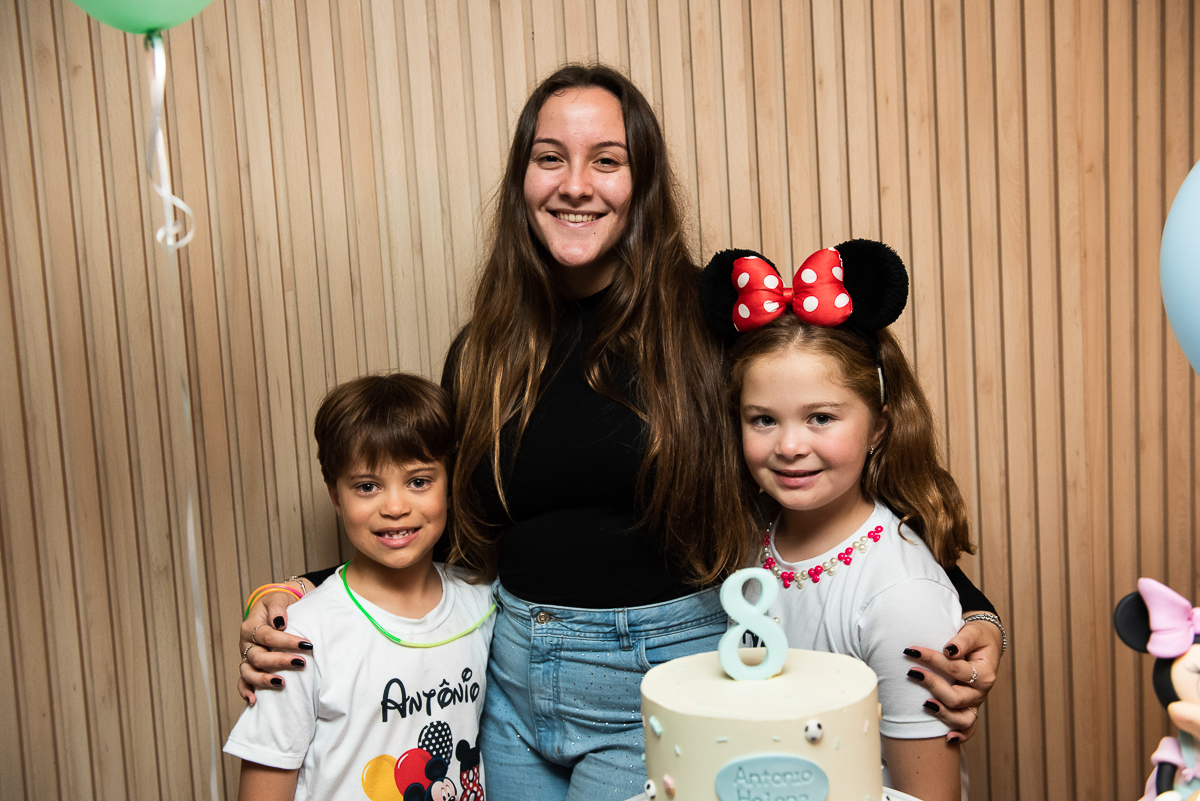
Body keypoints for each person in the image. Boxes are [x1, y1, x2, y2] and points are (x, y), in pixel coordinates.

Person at [238, 65, 1004, 801]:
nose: (575, 183)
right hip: (509, 682)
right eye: (550, 159)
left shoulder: (710, 324)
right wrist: (305, 592)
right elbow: (444, 521)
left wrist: (968, 609)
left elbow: (832, 478)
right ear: (522, 183)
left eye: (606, 160)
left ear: (642, 184)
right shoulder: (484, 349)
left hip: (661, 672)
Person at [705, 242, 974, 800]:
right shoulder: (751, 541)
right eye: (762, 420)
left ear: (878, 426)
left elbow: (928, 794)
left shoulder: (900, 596)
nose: (789, 446)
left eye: (821, 417)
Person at [224, 373, 495, 801]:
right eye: (367, 487)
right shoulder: (299, 638)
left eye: (419, 481)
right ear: (335, 495)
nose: (395, 506)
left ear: (451, 481)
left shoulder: (484, 603)